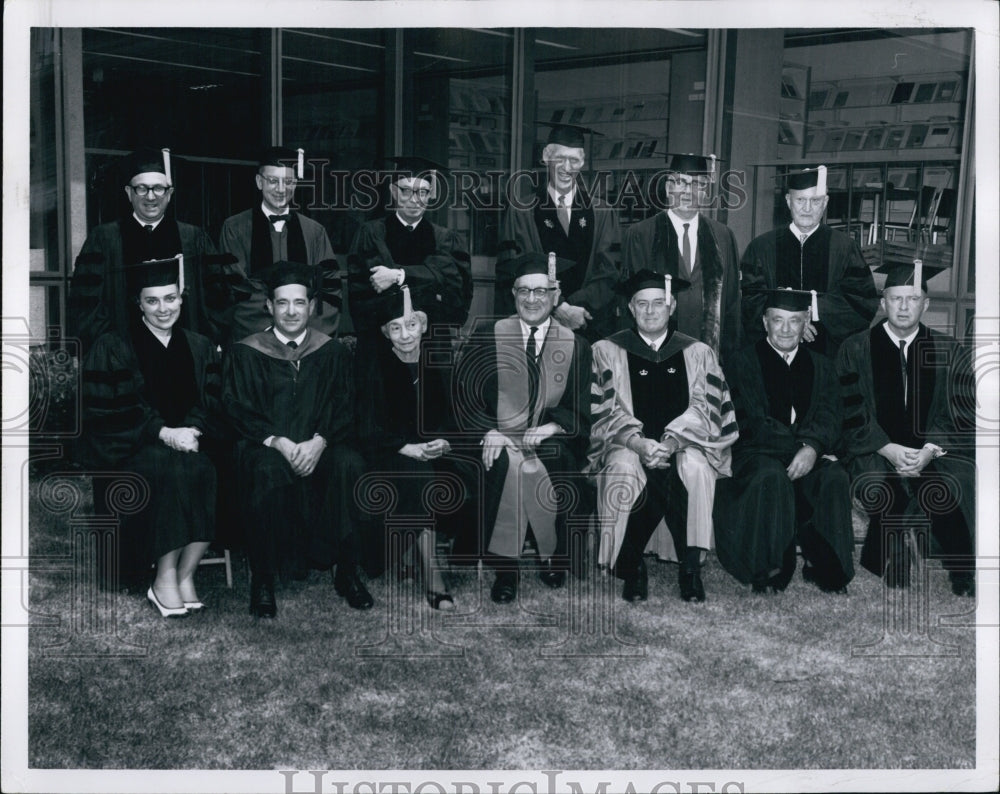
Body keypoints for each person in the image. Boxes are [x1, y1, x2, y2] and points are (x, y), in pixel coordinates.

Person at [222, 261, 373, 618]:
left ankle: (347, 571)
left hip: (319, 444)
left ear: (313, 306)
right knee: (264, 470)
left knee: (349, 464)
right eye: (283, 303)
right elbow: (235, 409)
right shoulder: (246, 351)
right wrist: (277, 441)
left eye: (300, 303)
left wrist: (319, 441)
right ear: (269, 307)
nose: (291, 311)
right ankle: (263, 577)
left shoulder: (332, 352)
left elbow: (345, 407)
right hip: (266, 446)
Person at [79, 257, 223, 616]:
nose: (163, 308)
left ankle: (187, 573)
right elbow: (110, 411)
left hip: (188, 441)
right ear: (138, 303)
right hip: (131, 448)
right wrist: (162, 432)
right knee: (167, 467)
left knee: (204, 469)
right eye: (153, 300)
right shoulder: (114, 346)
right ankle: (164, 576)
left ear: (181, 299)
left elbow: (214, 399)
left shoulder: (200, 345)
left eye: (170, 298)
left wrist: (192, 429)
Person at [588, 269, 738, 603]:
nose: (651, 311)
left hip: (685, 443)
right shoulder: (606, 350)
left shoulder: (698, 353)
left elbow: (708, 409)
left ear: (671, 307)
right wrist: (638, 443)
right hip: (627, 443)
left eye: (658, 303)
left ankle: (690, 566)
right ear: (631, 308)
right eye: (642, 304)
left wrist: (671, 442)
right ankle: (631, 565)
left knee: (696, 468)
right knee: (625, 468)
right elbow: (604, 409)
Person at [453, 252, 592, 603]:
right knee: (502, 461)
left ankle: (552, 556)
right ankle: (506, 568)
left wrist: (554, 427)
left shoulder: (576, 345)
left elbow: (583, 407)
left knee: (556, 456)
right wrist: (488, 430)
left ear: (554, 295)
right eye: (524, 291)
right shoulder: (488, 336)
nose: (532, 299)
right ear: (513, 295)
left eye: (540, 292)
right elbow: (463, 397)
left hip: (548, 437)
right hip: (496, 436)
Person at [837, 261, 975, 595]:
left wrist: (928, 450)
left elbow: (961, 412)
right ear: (882, 303)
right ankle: (894, 558)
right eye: (895, 298)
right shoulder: (855, 348)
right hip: (872, 449)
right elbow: (848, 411)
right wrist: (888, 447)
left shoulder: (947, 350)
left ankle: (962, 569)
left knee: (960, 480)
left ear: (925, 305)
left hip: (934, 452)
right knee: (882, 483)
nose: (903, 306)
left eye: (912, 299)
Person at [714, 288, 855, 594]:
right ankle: (768, 570)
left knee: (833, 476)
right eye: (778, 320)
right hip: (757, 453)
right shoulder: (741, 363)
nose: (786, 329)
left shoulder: (821, 365)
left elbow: (831, 416)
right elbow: (748, 420)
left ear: (806, 324)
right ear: (765, 322)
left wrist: (813, 447)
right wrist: (799, 450)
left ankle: (828, 569)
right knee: (771, 475)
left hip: (807, 452)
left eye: (795, 321)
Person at [355, 284, 465, 609]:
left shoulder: (440, 360)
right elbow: (364, 425)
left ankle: (410, 552)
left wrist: (446, 441)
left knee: (466, 474)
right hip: (387, 454)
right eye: (395, 327)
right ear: (385, 332)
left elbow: (458, 416)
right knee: (421, 479)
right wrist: (406, 447)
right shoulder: (371, 365)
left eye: (412, 324)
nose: (405, 335)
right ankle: (433, 577)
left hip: (435, 452)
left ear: (425, 325)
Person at [67, 147, 221, 354]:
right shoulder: (104, 238)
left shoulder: (193, 238)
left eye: (158, 188)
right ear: (129, 193)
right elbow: (86, 304)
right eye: (142, 188)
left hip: (184, 352)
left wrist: (205, 343)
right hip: (123, 358)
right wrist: (111, 347)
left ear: (169, 194)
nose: (150, 197)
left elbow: (216, 299)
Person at [495, 123, 621, 343]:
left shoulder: (602, 212)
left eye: (574, 160)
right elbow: (513, 269)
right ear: (546, 157)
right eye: (560, 159)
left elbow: (609, 273)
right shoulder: (521, 211)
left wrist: (574, 309)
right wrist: (559, 306)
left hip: (588, 324)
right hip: (537, 324)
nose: (566, 167)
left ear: (582, 162)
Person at [740, 165, 879, 358]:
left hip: (828, 351)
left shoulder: (845, 247)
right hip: (774, 346)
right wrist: (789, 322)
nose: (807, 208)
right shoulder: (762, 247)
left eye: (815, 201)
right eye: (800, 200)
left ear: (825, 202)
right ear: (788, 201)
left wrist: (813, 312)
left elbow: (862, 300)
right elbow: (750, 299)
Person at [621, 152, 742, 365]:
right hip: (655, 360)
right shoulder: (641, 234)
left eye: (698, 184)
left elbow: (732, 304)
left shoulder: (723, 236)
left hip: (709, 357)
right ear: (668, 188)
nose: (689, 191)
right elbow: (628, 302)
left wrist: (728, 361)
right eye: (681, 182)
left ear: (706, 192)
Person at [218, 146, 341, 342]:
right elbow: (235, 289)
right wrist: (276, 332)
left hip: (305, 341)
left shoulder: (314, 232)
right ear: (259, 182)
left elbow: (329, 289)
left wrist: (301, 333)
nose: (281, 189)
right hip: (256, 340)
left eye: (289, 182)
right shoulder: (235, 228)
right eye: (273, 181)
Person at [347, 156, 471, 343]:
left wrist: (397, 276)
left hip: (431, 341)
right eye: (406, 191)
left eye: (422, 192)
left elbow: (456, 290)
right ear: (393, 192)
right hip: (381, 342)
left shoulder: (445, 239)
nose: (415, 200)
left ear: (430, 195)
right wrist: (427, 279)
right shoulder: (371, 233)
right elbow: (359, 292)